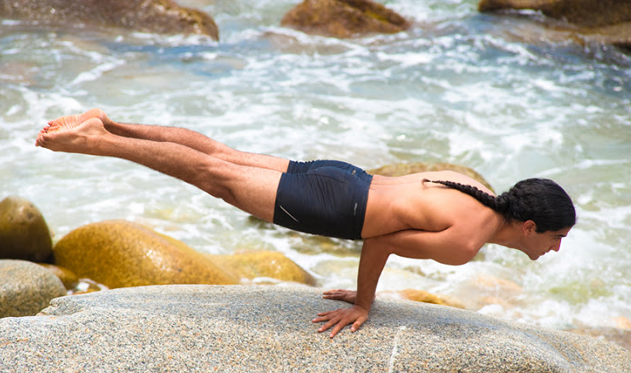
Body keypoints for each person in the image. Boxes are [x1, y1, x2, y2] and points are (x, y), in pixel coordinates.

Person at [35, 109, 577, 338]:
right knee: (212, 176)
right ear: (528, 226)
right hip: (334, 208)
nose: (556, 249)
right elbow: (381, 241)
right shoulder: (466, 242)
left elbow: (397, 211)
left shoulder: (472, 188)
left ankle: (107, 123)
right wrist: (365, 303)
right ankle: (95, 141)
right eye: (556, 237)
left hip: (341, 178)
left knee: (223, 157)